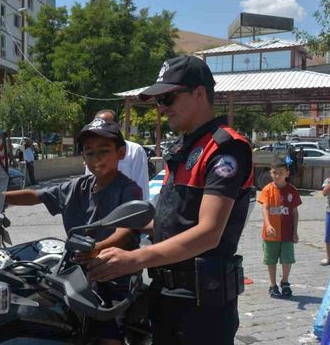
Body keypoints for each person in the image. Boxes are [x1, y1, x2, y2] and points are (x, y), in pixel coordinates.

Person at [85, 55, 254, 344]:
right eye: (158, 101)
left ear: (199, 93)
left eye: (169, 98)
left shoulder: (224, 149)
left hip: (202, 305)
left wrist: (134, 258)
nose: (162, 109)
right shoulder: (185, 147)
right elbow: (170, 219)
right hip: (167, 294)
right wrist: (112, 234)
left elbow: (208, 233)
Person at [5, 118, 142, 345]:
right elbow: (36, 196)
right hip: (76, 270)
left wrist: (97, 249)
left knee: (108, 338)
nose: (96, 158)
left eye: (104, 151)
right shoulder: (77, 186)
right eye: (89, 152)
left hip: (113, 272)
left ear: (120, 153)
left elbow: (125, 230)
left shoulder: (128, 189)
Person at [258, 158, 301, 298]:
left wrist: (295, 231)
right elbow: (265, 209)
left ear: (287, 173)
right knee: (271, 260)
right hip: (271, 234)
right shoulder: (267, 190)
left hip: (287, 233)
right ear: (271, 173)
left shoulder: (292, 190)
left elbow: (295, 212)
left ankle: (285, 282)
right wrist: (268, 225)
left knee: (287, 259)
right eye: (274, 173)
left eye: (281, 173)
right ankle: (273, 285)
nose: (277, 175)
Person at [85, 109, 149, 200]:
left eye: (107, 125)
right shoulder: (91, 153)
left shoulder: (135, 150)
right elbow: (89, 184)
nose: (101, 130)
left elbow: (141, 185)